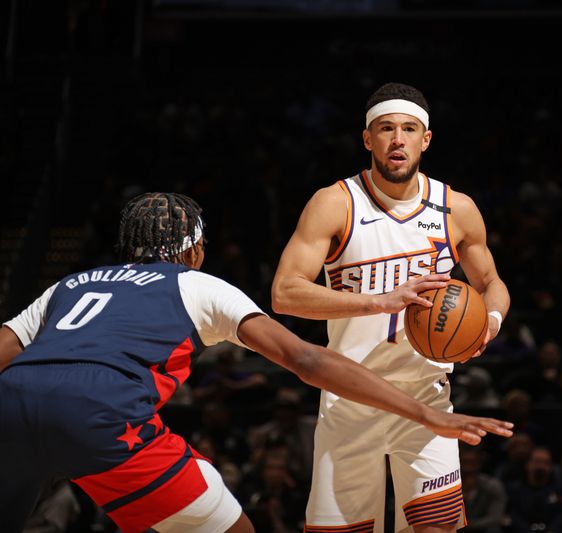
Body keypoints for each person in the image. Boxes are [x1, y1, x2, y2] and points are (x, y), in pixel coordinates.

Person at [0, 192, 513, 533]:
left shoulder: (69, 285)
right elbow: (306, 358)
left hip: (10, 405)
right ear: (194, 248)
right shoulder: (195, 283)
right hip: (101, 412)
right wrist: (427, 414)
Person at [271, 82, 511, 532]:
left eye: (408, 129)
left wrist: (490, 322)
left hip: (426, 395)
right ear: (368, 139)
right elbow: (285, 292)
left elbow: (492, 283)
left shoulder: (454, 208)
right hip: (348, 398)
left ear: (426, 139)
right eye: (385, 129)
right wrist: (380, 301)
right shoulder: (334, 203)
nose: (397, 139)